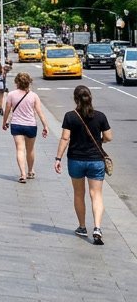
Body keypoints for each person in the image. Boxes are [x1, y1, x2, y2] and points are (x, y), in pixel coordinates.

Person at [54, 85, 113, 245]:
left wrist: (58, 158)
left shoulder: (70, 116)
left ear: (75, 99)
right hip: (95, 161)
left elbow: (65, 138)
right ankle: (98, 227)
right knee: (96, 194)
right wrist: (101, 140)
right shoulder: (100, 116)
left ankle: (82, 226)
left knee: (79, 194)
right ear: (90, 98)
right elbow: (109, 137)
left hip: (76, 160)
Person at [1, 71, 50, 183]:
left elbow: (7, 110)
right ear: (29, 83)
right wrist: (45, 126)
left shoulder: (11, 94)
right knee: (30, 149)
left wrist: (4, 122)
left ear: (17, 82)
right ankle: (30, 170)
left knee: (20, 149)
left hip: (17, 124)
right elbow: (39, 112)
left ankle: (22, 173)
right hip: (31, 125)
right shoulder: (34, 96)